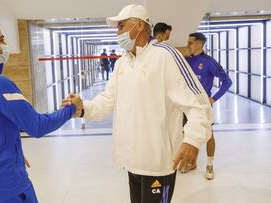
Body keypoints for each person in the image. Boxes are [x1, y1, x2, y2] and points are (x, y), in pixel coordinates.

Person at [62, 4, 213, 203]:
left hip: (159, 163)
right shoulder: (122, 63)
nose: (117, 32)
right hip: (132, 161)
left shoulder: (165, 55)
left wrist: (192, 140)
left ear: (139, 26)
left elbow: (198, 103)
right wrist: (83, 108)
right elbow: (107, 100)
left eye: (121, 26)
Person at [0, 17, 82, 203]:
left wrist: (13, 152)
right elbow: (36, 126)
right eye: (2, 39)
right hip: (5, 183)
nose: (5, 46)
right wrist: (72, 109)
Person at [184, 32, 232, 180]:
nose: (187, 45)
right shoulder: (185, 60)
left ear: (199, 44)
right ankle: (191, 163)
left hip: (203, 106)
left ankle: (210, 165)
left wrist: (213, 98)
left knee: (208, 135)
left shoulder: (209, 62)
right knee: (189, 134)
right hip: (186, 105)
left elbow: (227, 81)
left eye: (190, 43)